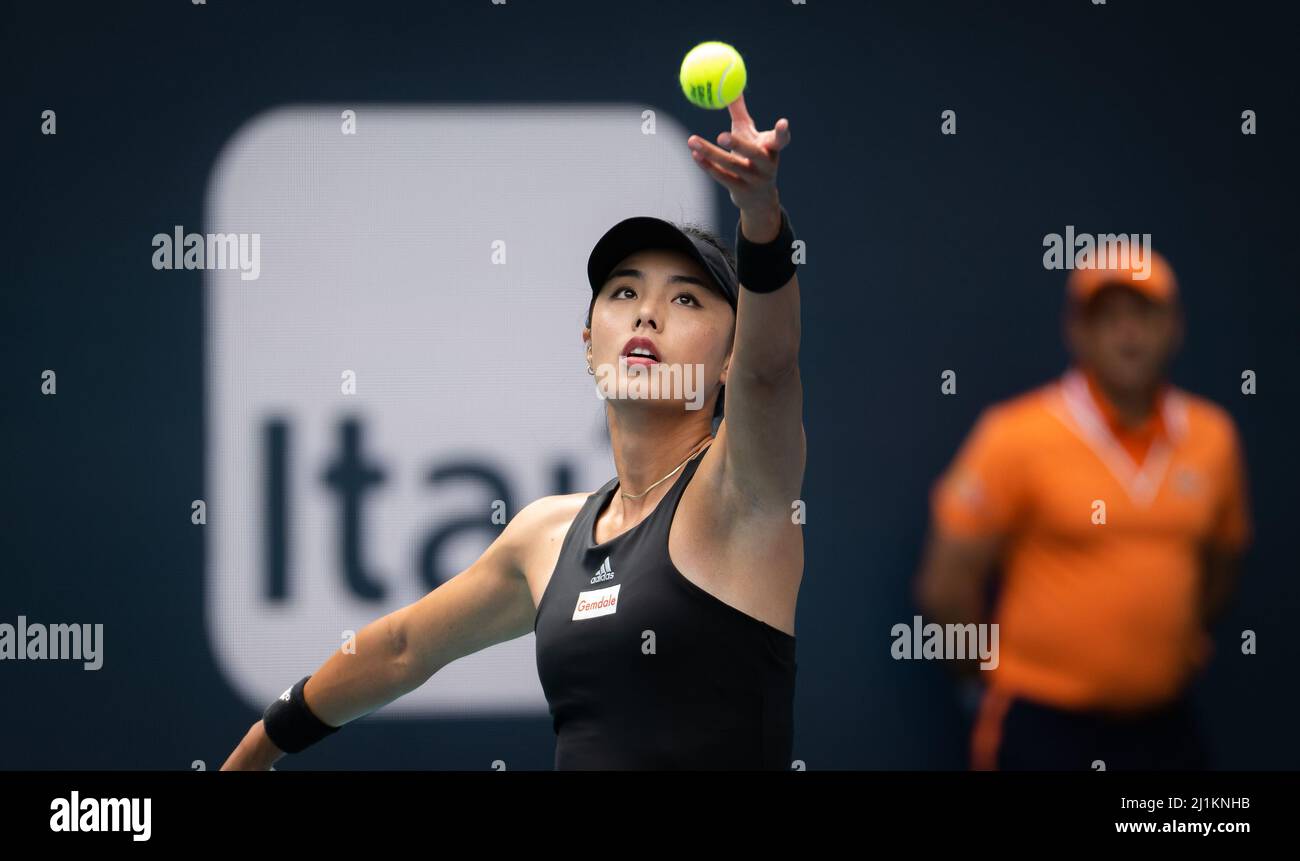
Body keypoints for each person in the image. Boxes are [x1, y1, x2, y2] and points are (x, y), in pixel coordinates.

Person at [222, 94, 805, 771]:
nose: (647, 312)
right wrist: (264, 742)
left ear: (730, 357)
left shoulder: (744, 488)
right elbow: (404, 646)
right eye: (623, 292)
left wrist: (761, 217)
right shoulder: (546, 535)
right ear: (590, 344)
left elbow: (771, 372)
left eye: (685, 298)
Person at [916, 245, 1252, 770]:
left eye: (1144, 315)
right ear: (1077, 332)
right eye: (1109, 318)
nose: (1128, 334)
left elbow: (1222, 564)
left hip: (1164, 723)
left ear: (1175, 327)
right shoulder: (1015, 435)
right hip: (1044, 723)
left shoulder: (1213, 438)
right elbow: (946, 588)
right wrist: (985, 682)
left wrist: (1164, 647)